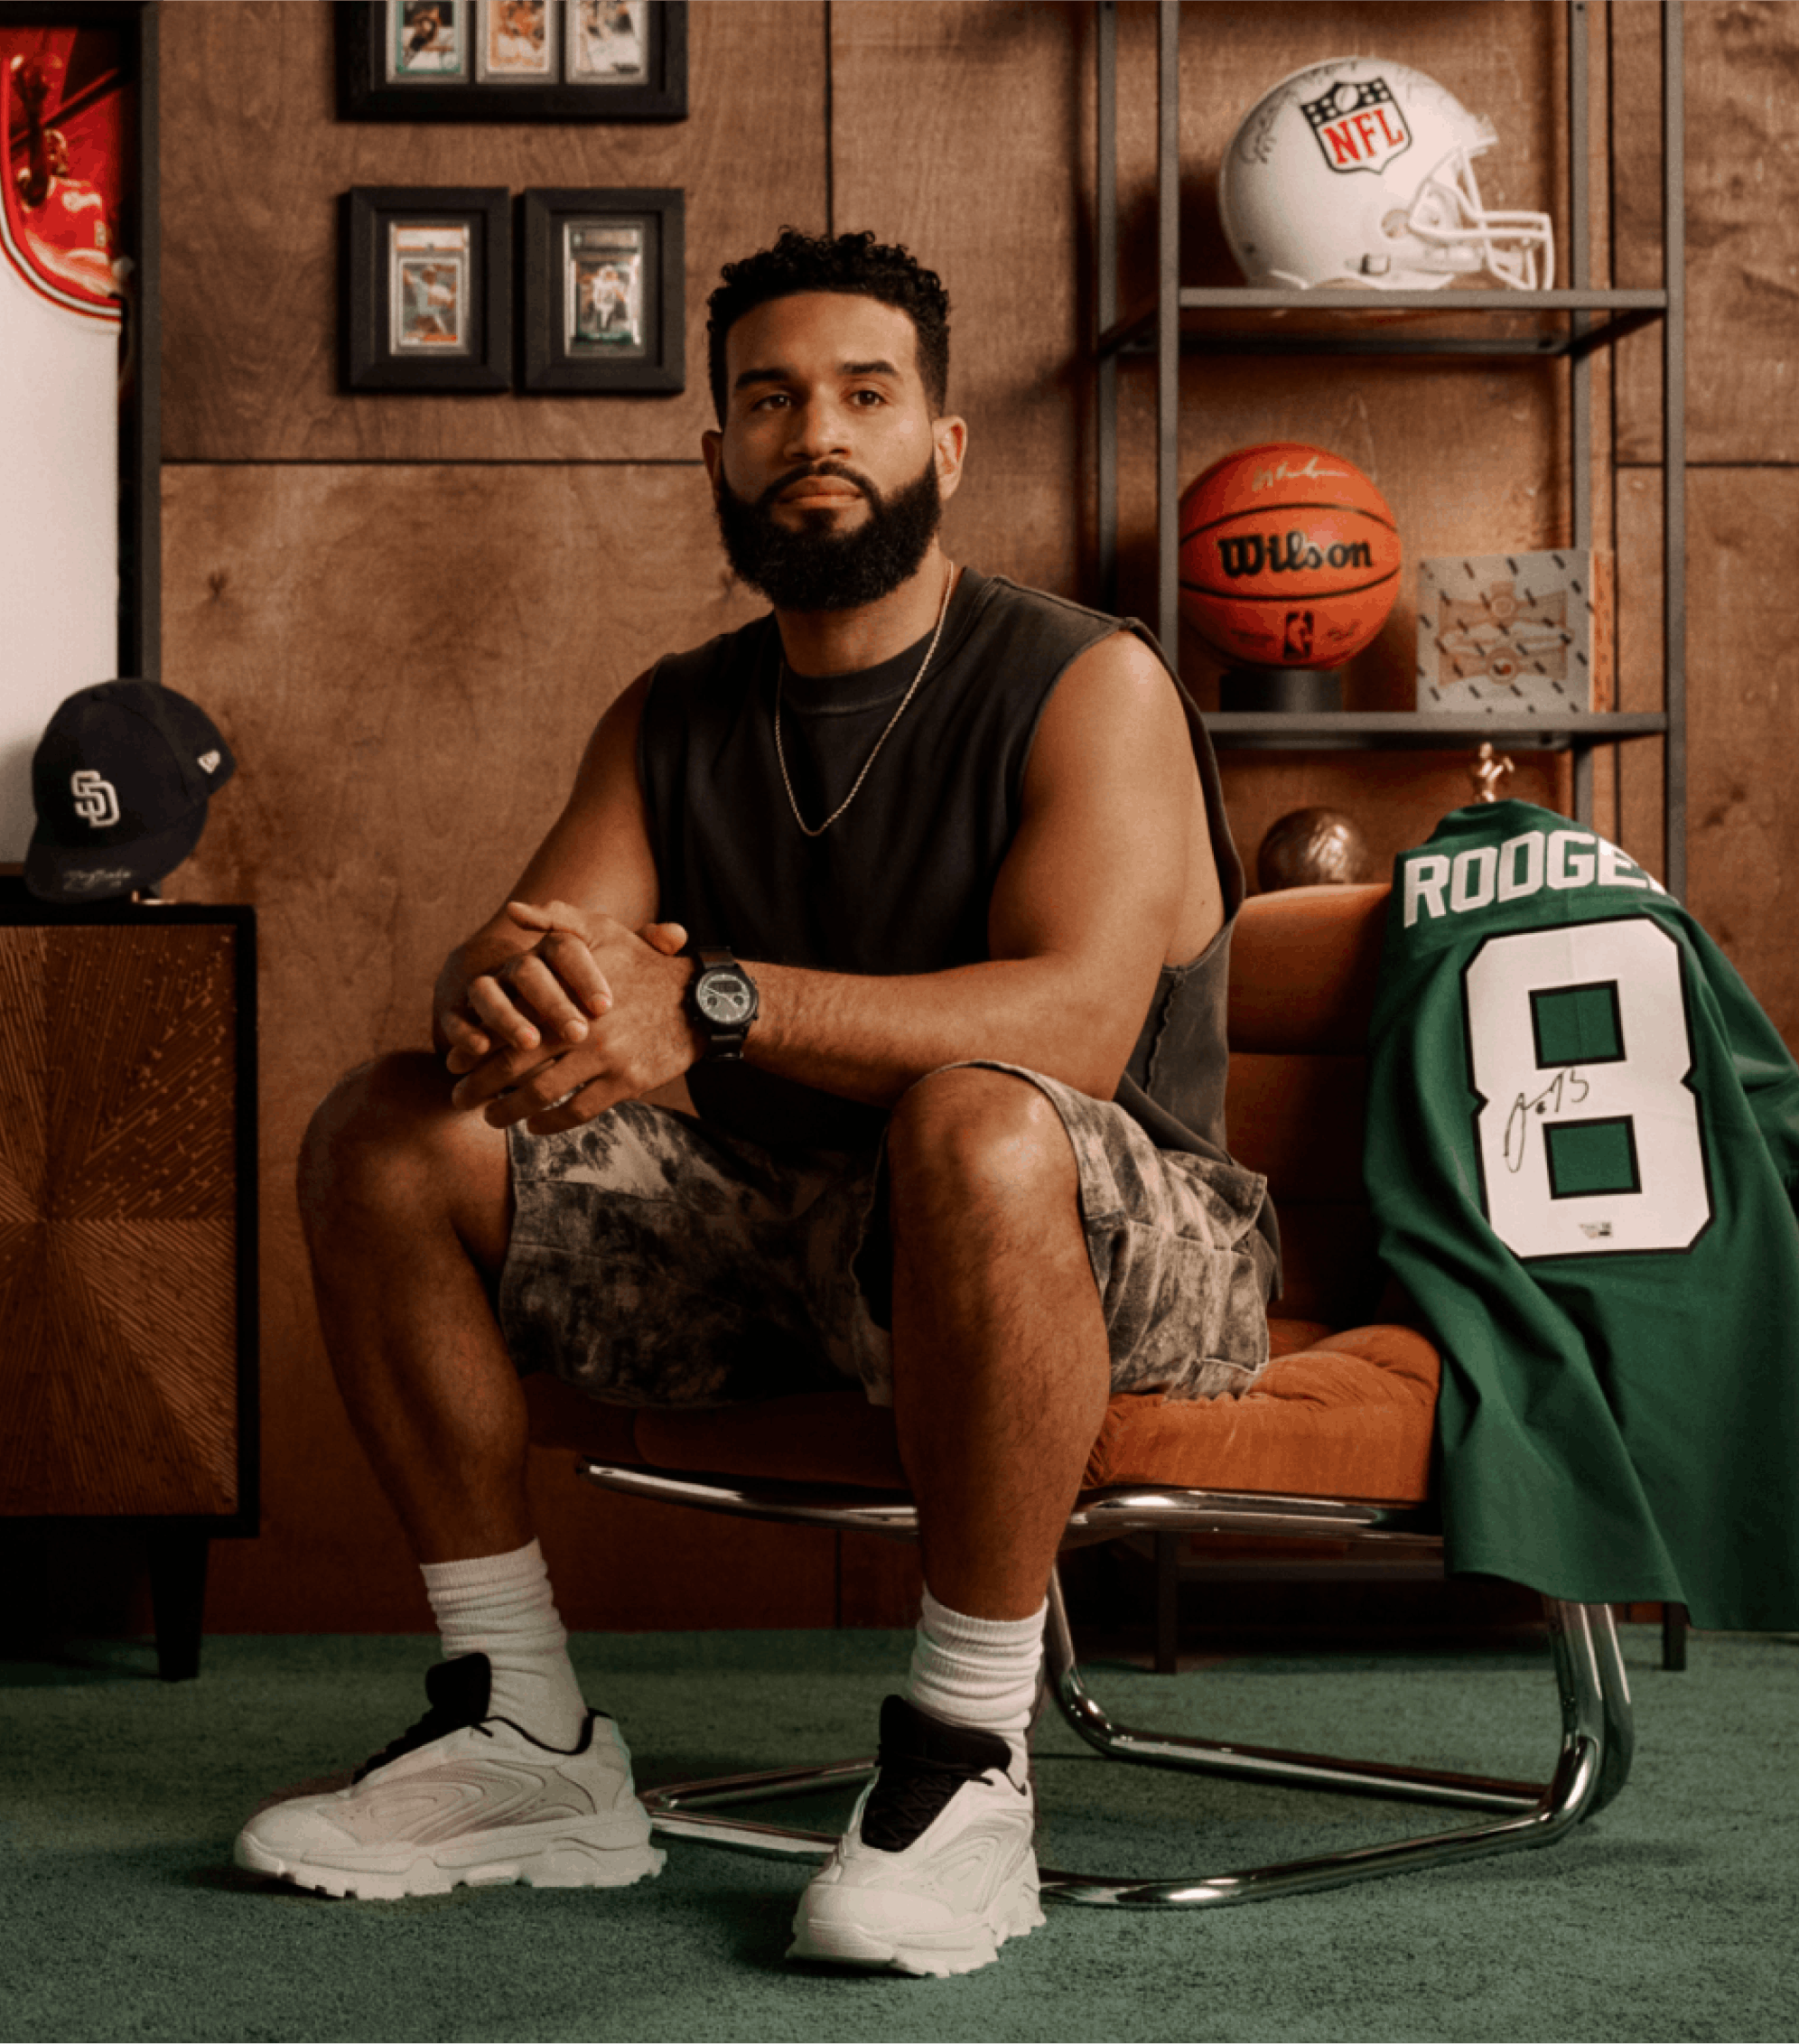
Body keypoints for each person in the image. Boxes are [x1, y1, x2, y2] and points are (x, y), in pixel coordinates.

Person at [234, 229, 1277, 1978]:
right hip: (797, 1243)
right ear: (714, 451)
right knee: (389, 1127)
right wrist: (505, 1006)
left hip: (1108, 1241)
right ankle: (525, 1739)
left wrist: (706, 1000)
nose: (817, 434)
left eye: (867, 396)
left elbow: (1076, 1033)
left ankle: (965, 1765)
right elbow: (536, 969)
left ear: (944, 448)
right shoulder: (674, 715)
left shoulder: (1088, 680)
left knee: (975, 1114)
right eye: (771, 400)